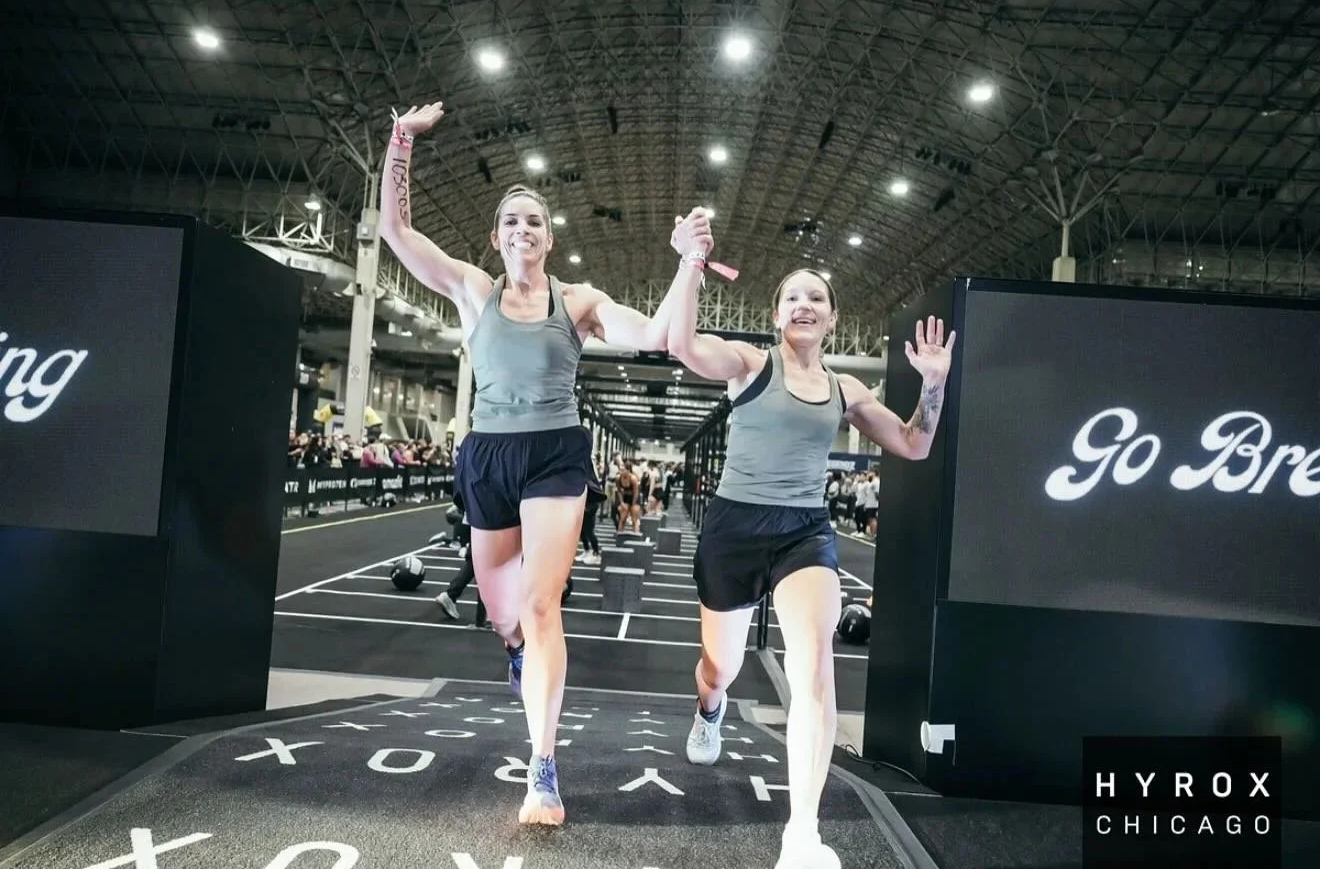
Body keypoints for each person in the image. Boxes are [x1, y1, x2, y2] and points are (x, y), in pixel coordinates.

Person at [378, 100, 713, 827]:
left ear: (549, 238)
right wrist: (401, 142)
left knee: (540, 606)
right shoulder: (473, 289)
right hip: (488, 457)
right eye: (511, 221)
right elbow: (395, 232)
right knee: (505, 616)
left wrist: (689, 263)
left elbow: (657, 336)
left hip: (556, 452)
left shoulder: (580, 300)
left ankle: (543, 771)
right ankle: (514, 650)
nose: (522, 229)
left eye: (534, 220)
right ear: (496, 237)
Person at [665, 243, 955, 867]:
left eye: (816, 298)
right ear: (777, 315)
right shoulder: (748, 363)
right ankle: (709, 710)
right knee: (720, 668)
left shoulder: (844, 388)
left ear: (831, 318)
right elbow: (682, 345)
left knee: (815, 668)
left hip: (804, 532)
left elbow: (914, 444)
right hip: (735, 529)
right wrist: (690, 265)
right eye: (792, 296)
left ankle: (802, 833)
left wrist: (934, 384)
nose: (804, 304)